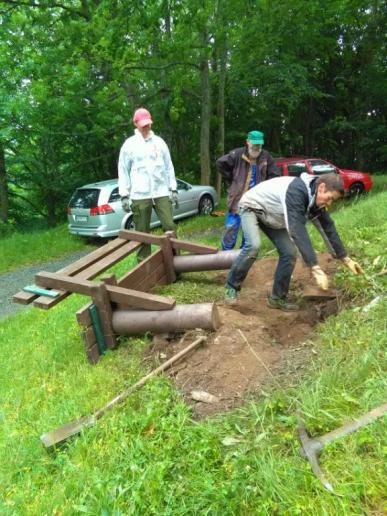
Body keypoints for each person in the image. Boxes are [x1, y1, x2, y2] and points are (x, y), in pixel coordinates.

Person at [225, 173, 364, 308]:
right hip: (252, 206)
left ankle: (277, 298)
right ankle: (231, 286)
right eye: (329, 198)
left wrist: (345, 258)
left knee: (289, 253)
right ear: (321, 188)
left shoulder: (316, 200)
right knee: (253, 245)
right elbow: (297, 230)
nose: (329, 204)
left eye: (332, 201)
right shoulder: (296, 192)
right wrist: (314, 267)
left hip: (273, 216)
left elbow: (328, 228)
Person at [118, 107, 178, 262]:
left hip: (161, 192)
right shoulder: (129, 145)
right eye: (143, 124)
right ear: (136, 123)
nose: (146, 126)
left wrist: (174, 188)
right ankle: (144, 265)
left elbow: (168, 166)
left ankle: (175, 260)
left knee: (169, 225)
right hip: (139, 194)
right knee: (142, 233)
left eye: (148, 123)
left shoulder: (159, 142)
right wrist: (124, 194)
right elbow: (123, 170)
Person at [216, 130, 278, 250]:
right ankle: (224, 256)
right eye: (254, 144)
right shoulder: (237, 154)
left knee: (248, 232)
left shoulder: (266, 157)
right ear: (248, 142)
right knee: (231, 229)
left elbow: (274, 175)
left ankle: (244, 256)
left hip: (255, 202)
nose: (257, 147)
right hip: (237, 200)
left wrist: (267, 188)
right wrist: (231, 178)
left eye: (259, 145)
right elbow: (220, 163)